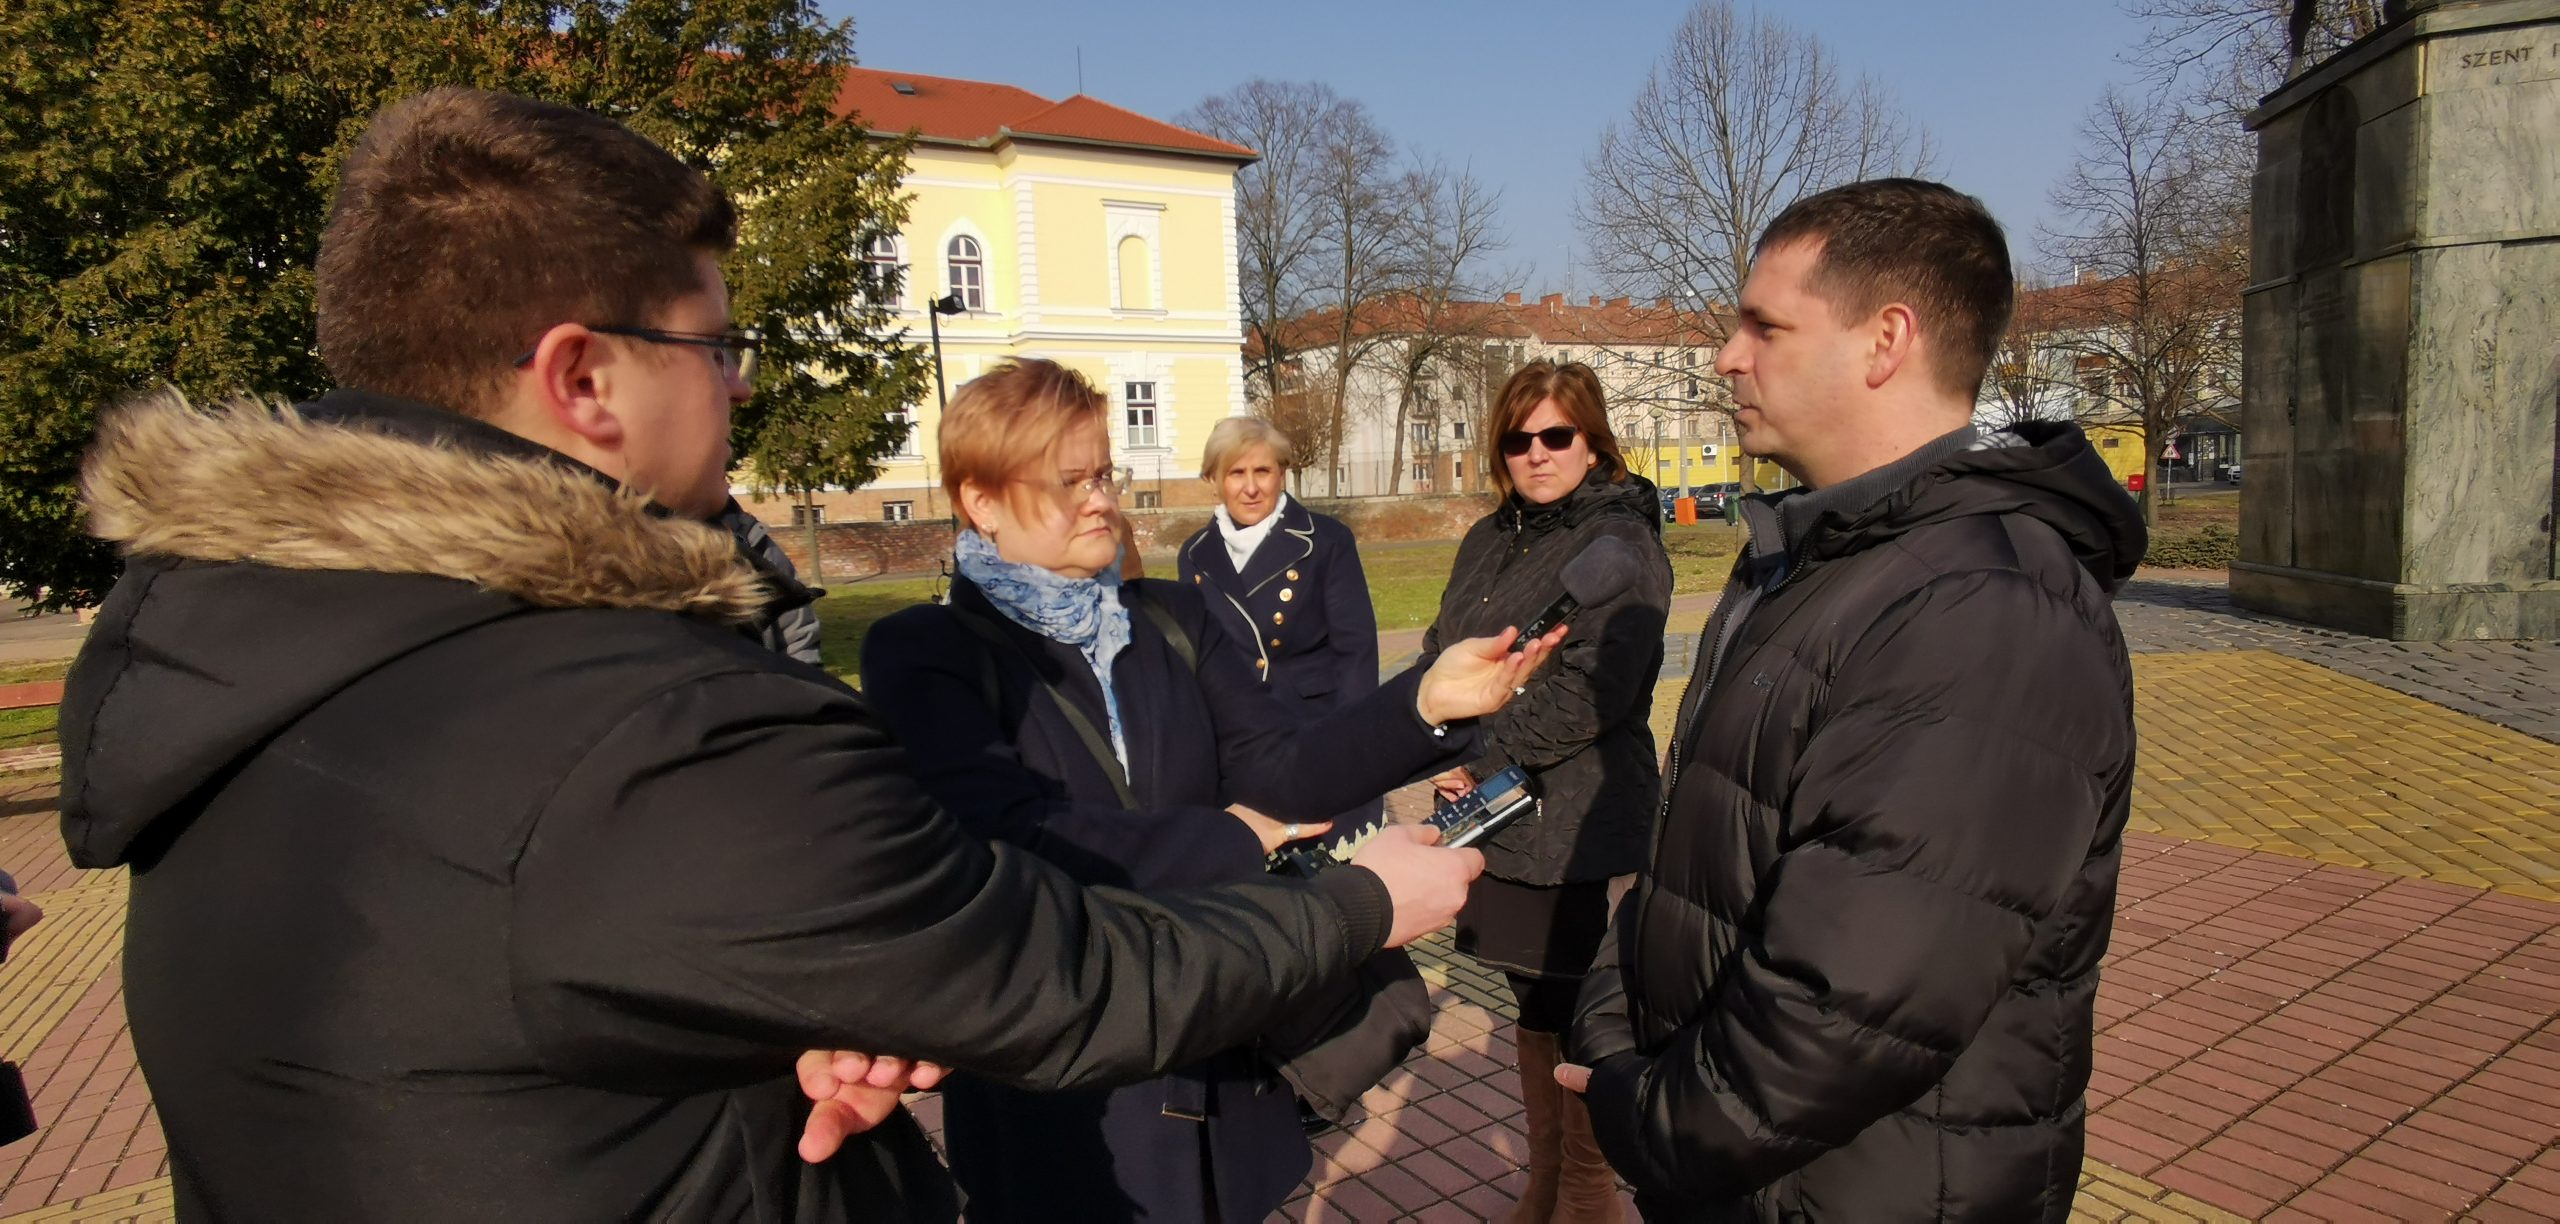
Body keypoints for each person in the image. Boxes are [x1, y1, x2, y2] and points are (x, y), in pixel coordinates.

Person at [55, 87, 1550, 1221]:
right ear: (584, 379)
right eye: (716, 347)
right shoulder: (645, 715)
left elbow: (487, 1011)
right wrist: (1360, 900)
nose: (743, 386)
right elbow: (1049, 965)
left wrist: (760, 1051)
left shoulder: (259, 650)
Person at [1562, 178, 2146, 1220]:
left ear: (1885, 341)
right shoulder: (1827, 559)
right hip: (1753, 1174)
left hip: (1863, 1186)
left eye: (1764, 326)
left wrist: (1643, 1116)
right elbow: (1692, 856)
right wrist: (1616, 1032)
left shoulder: (1985, 608)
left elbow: (1853, 1003)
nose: (1725, 357)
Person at [859, 362, 1545, 1223]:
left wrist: (1422, 704)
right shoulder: (926, 653)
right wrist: (1237, 839)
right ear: (980, 501)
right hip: (1065, 1097)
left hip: (1219, 1068)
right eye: (1068, 481)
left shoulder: (1173, 621)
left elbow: (1284, 770)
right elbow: (1013, 842)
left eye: (1104, 473)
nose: (1100, 500)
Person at [1419, 361, 1672, 1223]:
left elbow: (1595, 689)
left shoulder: (1618, 543)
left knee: (1583, 1010)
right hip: (1503, 814)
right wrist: (1444, 738)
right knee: (1534, 1003)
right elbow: (1440, 641)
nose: (1536, 454)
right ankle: (1547, 1180)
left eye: (1555, 435)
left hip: (1583, 816)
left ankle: (1589, 1194)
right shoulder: (1492, 535)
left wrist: (1482, 754)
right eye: (1517, 440)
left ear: (1592, 438)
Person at [1177, 417, 1382, 855]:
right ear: (1213, 479)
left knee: (1334, 880)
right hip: (1238, 746)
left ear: (1282, 473)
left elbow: (1356, 650)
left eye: (1262, 471)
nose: (1250, 487)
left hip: (1316, 735)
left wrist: (1351, 747)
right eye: (1236, 473)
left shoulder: (1325, 540)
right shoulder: (1195, 554)